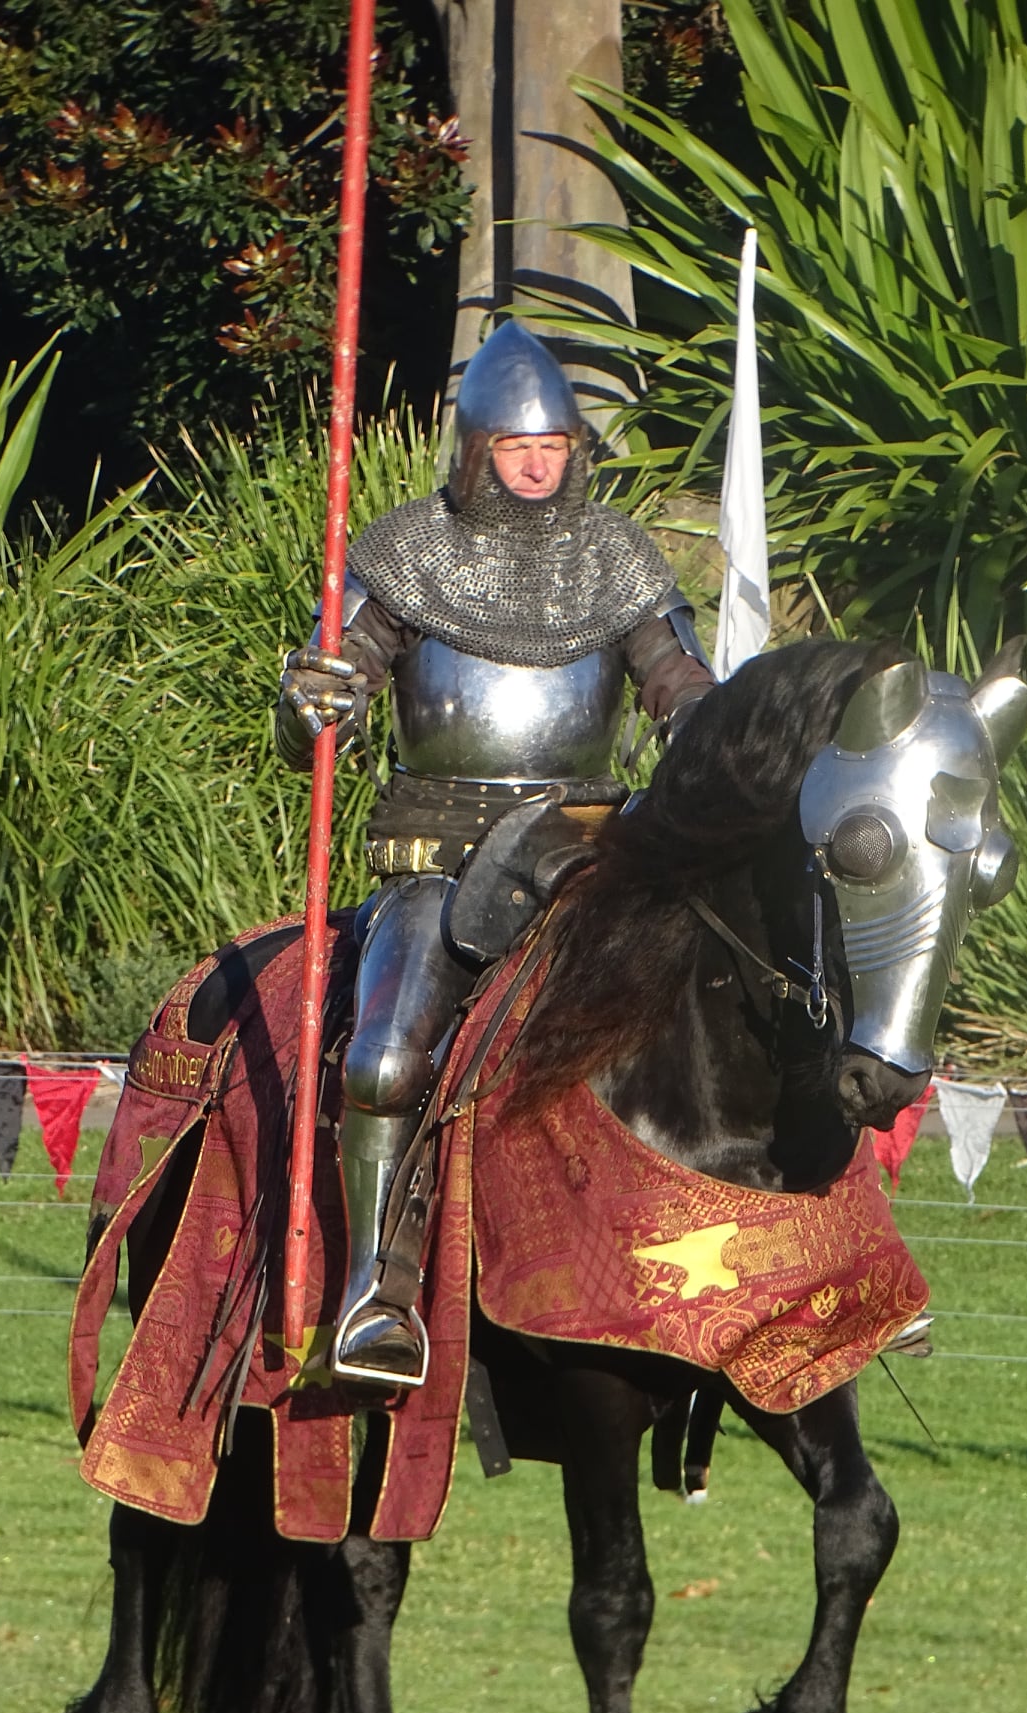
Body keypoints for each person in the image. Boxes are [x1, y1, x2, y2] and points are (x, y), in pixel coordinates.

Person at [277, 321, 716, 1390]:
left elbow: (678, 685)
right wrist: (310, 700)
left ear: (575, 452)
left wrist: (721, 728)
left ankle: (767, 1269)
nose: (534, 462)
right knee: (384, 1055)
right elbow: (323, 712)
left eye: (553, 446)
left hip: (589, 852)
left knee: (734, 1017)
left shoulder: (615, 557)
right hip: (439, 852)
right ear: (475, 450)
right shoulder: (411, 553)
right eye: (516, 445)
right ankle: (374, 1293)